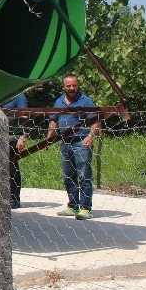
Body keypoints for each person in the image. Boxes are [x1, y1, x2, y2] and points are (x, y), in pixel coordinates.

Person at [43, 75, 101, 221]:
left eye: (74, 85)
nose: (72, 88)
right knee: (68, 176)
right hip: (65, 142)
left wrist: (90, 136)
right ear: (64, 86)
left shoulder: (85, 101)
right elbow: (53, 121)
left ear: (78, 85)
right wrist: (48, 140)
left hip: (81, 142)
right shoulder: (59, 101)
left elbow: (97, 120)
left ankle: (85, 208)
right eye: (68, 86)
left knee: (83, 176)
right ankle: (73, 205)